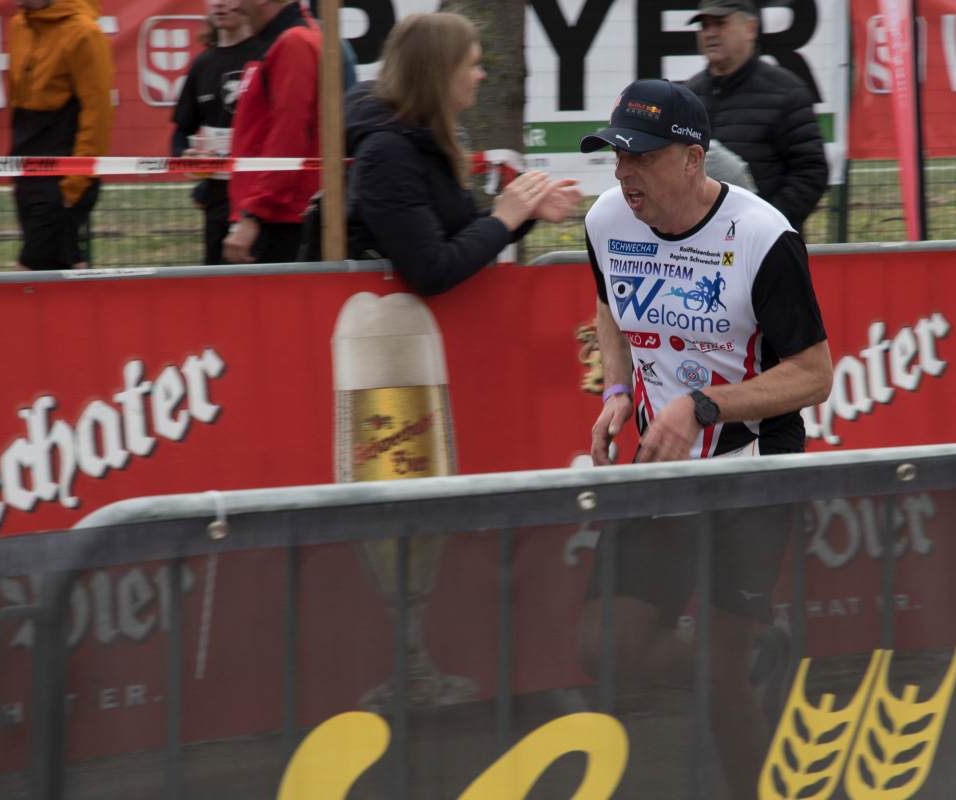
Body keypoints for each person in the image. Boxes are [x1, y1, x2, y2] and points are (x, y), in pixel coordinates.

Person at [575, 78, 832, 799]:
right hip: (664, 459)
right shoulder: (607, 219)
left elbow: (814, 374)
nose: (623, 173)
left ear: (693, 160)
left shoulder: (763, 236)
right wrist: (617, 392)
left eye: (641, 157)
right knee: (603, 646)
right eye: (615, 156)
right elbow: (608, 304)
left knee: (721, 680)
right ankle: (755, 658)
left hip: (753, 460)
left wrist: (704, 406)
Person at [343, 12, 580, 295]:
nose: (481, 75)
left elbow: (451, 236)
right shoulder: (386, 154)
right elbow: (431, 269)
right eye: (472, 64)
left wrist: (523, 211)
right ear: (439, 73)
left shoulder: (423, 137)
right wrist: (502, 220)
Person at [682, 0, 827, 233]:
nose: (710, 33)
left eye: (720, 23)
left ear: (750, 28)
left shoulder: (786, 91)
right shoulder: (689, 95)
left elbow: (811, 171)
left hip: (765, 241)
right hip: (702, 241)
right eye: (705, 26)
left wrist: (765, 224)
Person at [7, 0, 113, 271]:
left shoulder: (84, 33)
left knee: (28, 272)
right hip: (28, 173)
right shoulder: (18, 25)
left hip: (63, 177)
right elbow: (19, 108)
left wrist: (76, 184)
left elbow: (98, 113)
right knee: (65, 269)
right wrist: (16, 170)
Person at [222, 0, 321, 265]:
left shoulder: (293, 42)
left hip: (279, 219)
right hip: (273, 213)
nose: (236, 7)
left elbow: (289, 136)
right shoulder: (284, 40)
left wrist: (254, 213)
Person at [171, 0, 262, 265]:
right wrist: (186, 156)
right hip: (217, 200)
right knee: (217, 281)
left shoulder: (267, 53)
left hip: (258, 199)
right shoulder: (202, 63)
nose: (219, 4)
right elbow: (181, 132)